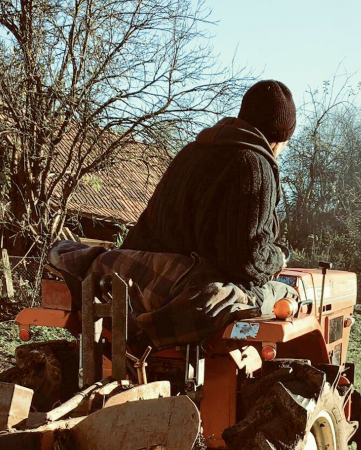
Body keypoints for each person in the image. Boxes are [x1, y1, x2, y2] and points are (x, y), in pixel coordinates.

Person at [122, 80, 299, 313]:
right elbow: (248, 261)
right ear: (280, 139)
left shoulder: (190, 152)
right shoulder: (255, 165)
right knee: (291, 294)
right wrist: (278, 258)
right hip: (191, 291)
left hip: (143, 281)